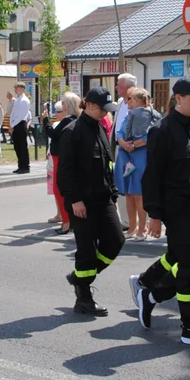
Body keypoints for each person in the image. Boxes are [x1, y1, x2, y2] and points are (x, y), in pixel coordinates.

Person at [130, 77, 190, 349]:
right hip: (176, 210)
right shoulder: (161, 131)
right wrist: (155, 216)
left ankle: (150, 295)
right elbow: (153, 176)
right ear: (178, 98)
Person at [58, 87, 124, 316]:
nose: (107, 113)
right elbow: (65, 171)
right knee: (86, 250)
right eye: (104, 109)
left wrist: (113, 195)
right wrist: (75, 200)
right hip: (81, 202)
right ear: (92, 106)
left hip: (103, 198)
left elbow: (108, 166)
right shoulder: (72, 131)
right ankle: (84, 298)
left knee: (116, 240)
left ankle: (80, 277)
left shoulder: (100, 128)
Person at [115, 87, 160, 241]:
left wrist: (134, 144)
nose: (128, 103)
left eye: (131, 99)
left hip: (141, 156)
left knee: (139, 194)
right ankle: (132, 227)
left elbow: (152, 135)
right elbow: (119, 131)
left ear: (140, 100)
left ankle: (142, 228)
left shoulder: (153, 116)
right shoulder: (129, 116)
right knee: (128, 193)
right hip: (126, 155)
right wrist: (122, 142)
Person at [46, 93, 79, 235]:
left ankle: (67, 222)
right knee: (58, 189)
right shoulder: (71, 120)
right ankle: (67, 220)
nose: (62, 105)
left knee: (59, 190)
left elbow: (53, 134)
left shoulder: (68, 121)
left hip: (60, 157)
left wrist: (45, 120)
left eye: (64, 103)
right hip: (58, 156)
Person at [111, 73, 137, 231]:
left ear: (128, 87)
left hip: (132, 149)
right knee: (120, 185)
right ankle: (126, 220)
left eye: (118, 85)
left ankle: (136, 222)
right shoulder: (121, 102)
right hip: (119, 148)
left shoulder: (139, 101)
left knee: (134, 186)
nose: (116, 88)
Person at [9, 82, 32, 173]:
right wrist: (11, 124)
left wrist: (13, 124)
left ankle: (25, 166)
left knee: (22, 146)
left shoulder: (24, 100)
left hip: (20, 124)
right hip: (15, 124)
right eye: (15, 88)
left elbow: (21, 115)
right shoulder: (17, 100)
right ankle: (20, 165)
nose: (15, 90)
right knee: (17, 146)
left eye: (17, 88)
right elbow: (13, 113)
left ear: (22, 89)